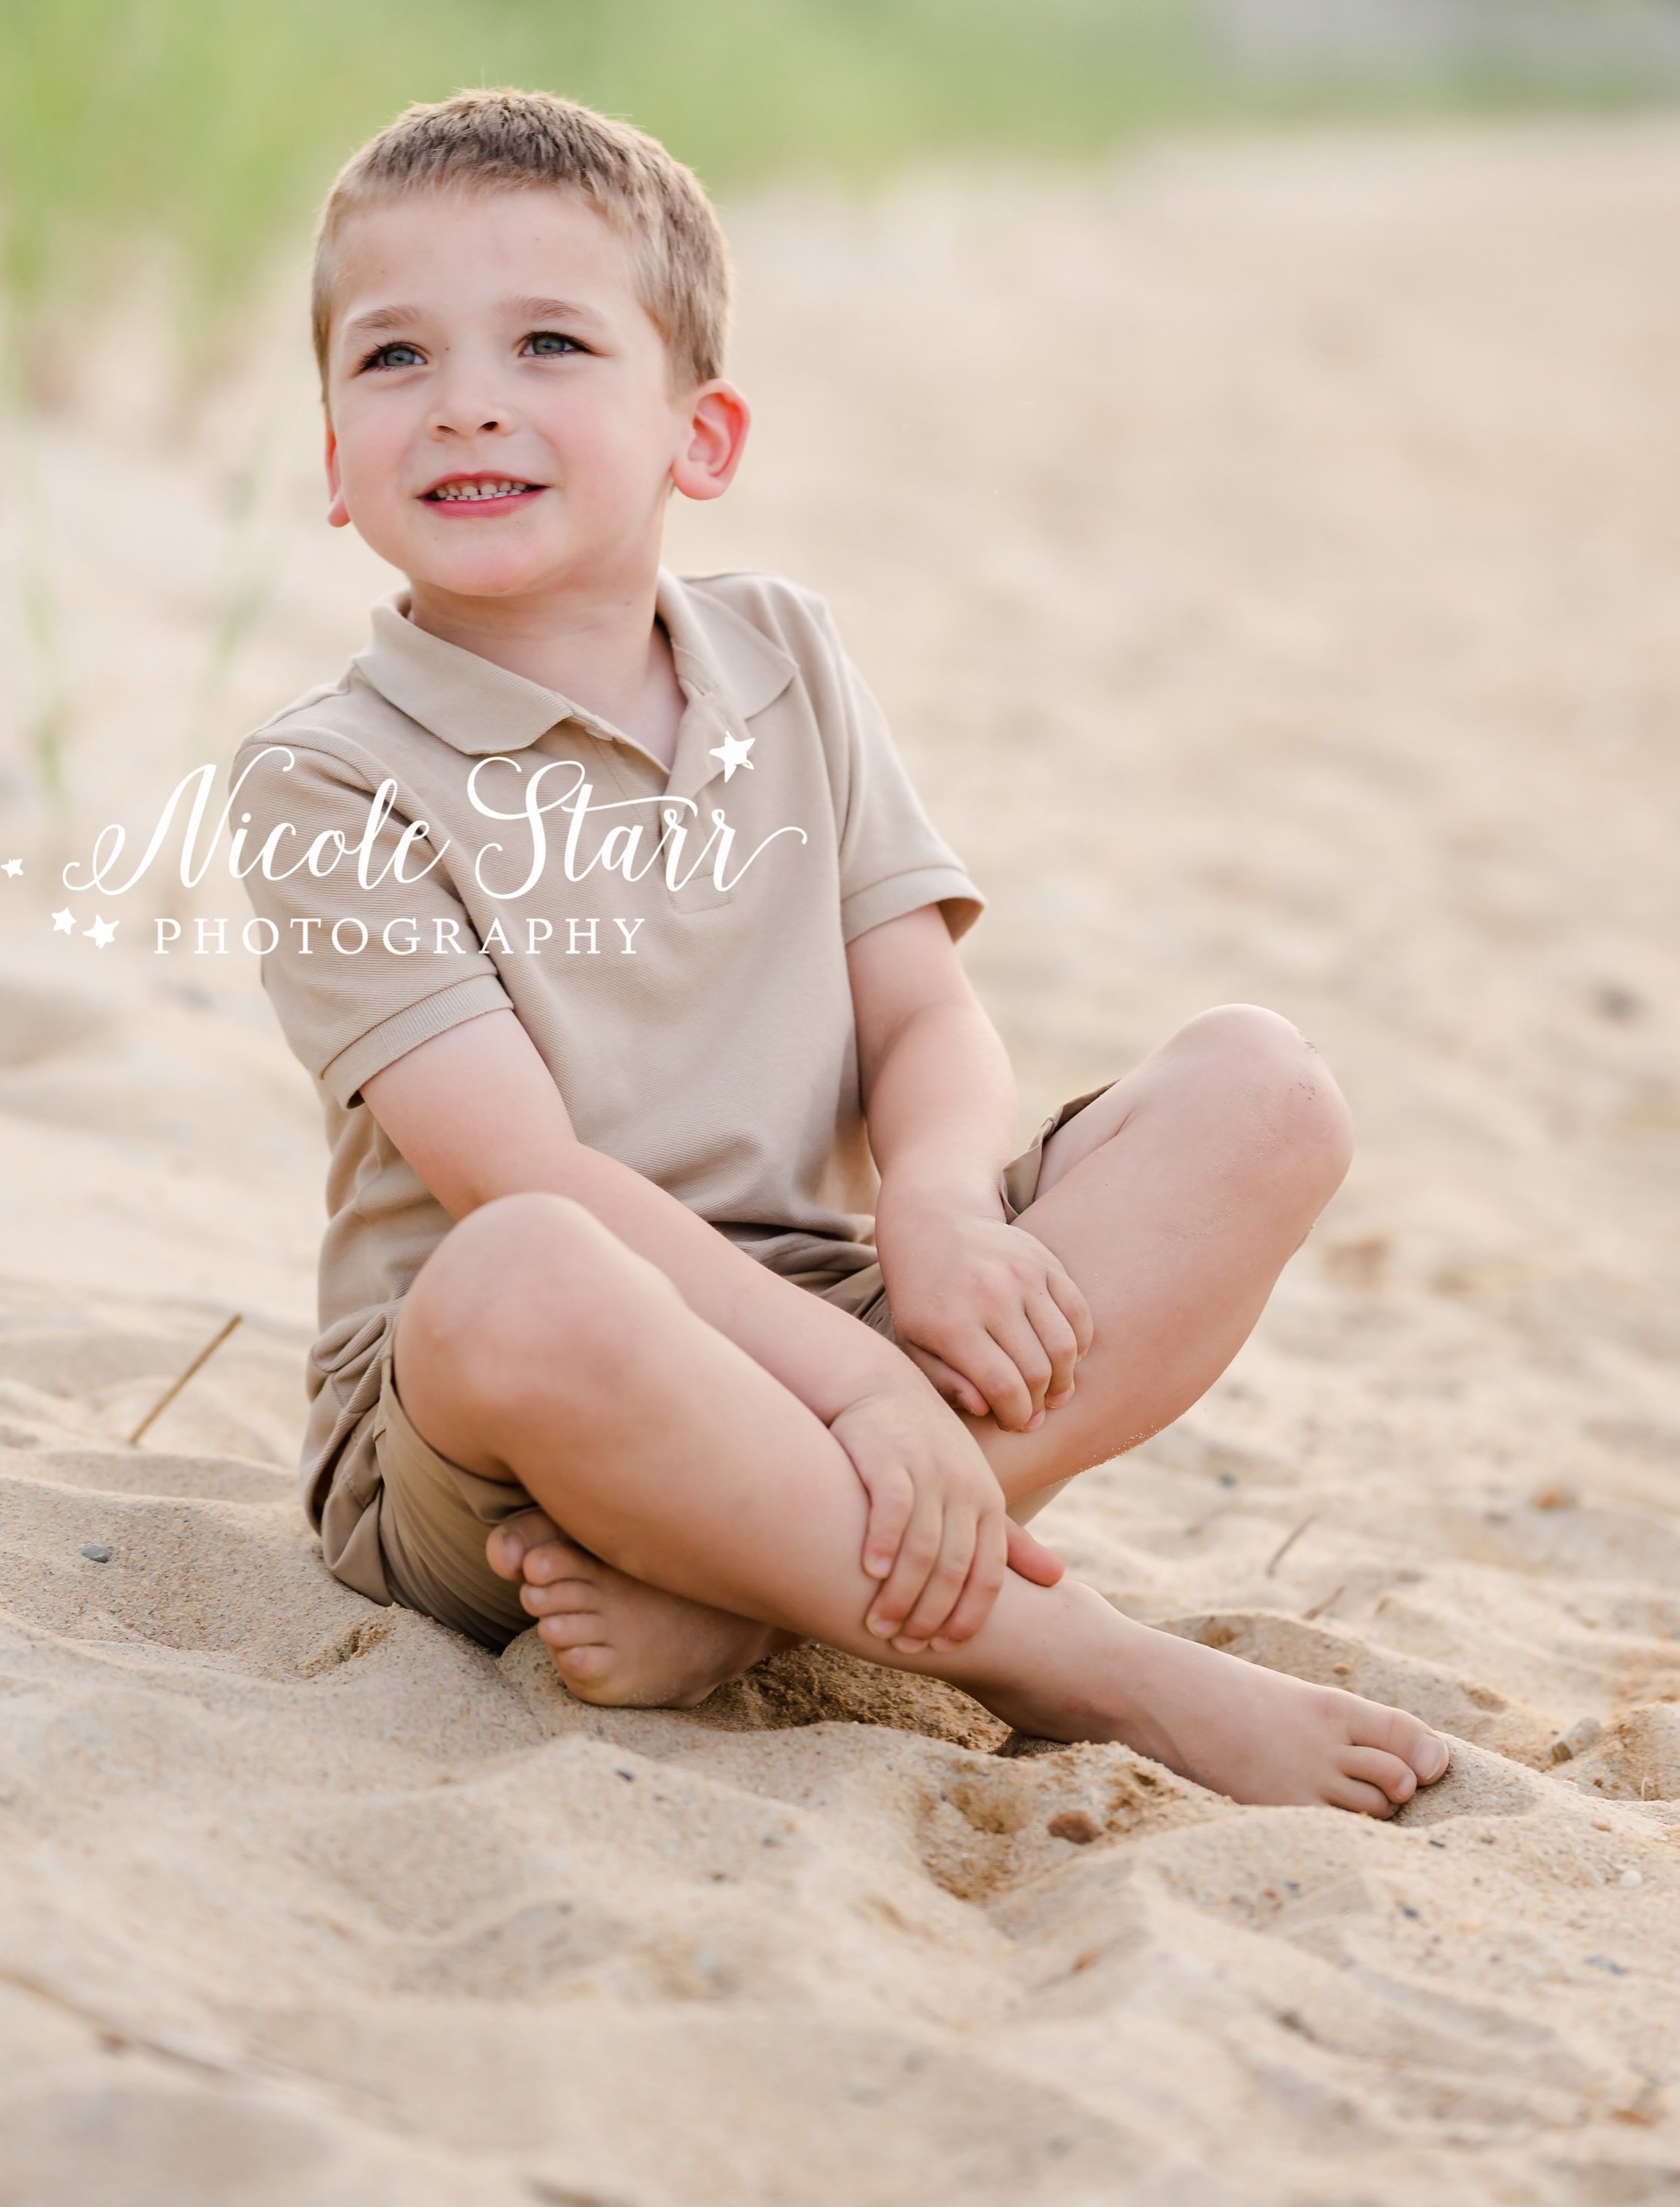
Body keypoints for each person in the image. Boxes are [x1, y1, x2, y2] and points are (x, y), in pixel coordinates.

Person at [228, 87, 1449, 1817]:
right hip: (506, 1414)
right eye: (392, 358)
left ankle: (739, 1584)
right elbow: (530, 1174)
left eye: (551, 342)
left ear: (697, 436)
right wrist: (867, 1389)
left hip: (818, 1299)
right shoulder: (327, 778)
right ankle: (1069, 1657)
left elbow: (922, 1007)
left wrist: (942, 1210)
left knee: (1263, 1090)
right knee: (516, 1272)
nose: (468, 400)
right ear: (335, 461)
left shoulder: (781, 653)